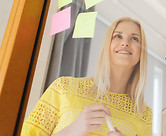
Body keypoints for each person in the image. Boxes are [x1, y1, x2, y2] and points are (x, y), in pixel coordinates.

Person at [21, 17, 152, 136]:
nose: (125, 43)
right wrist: (72, 130)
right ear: (107, 44)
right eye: (118, 36)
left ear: (141, 53)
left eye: (135, 38)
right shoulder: (63, 87)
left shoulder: (146, 117)